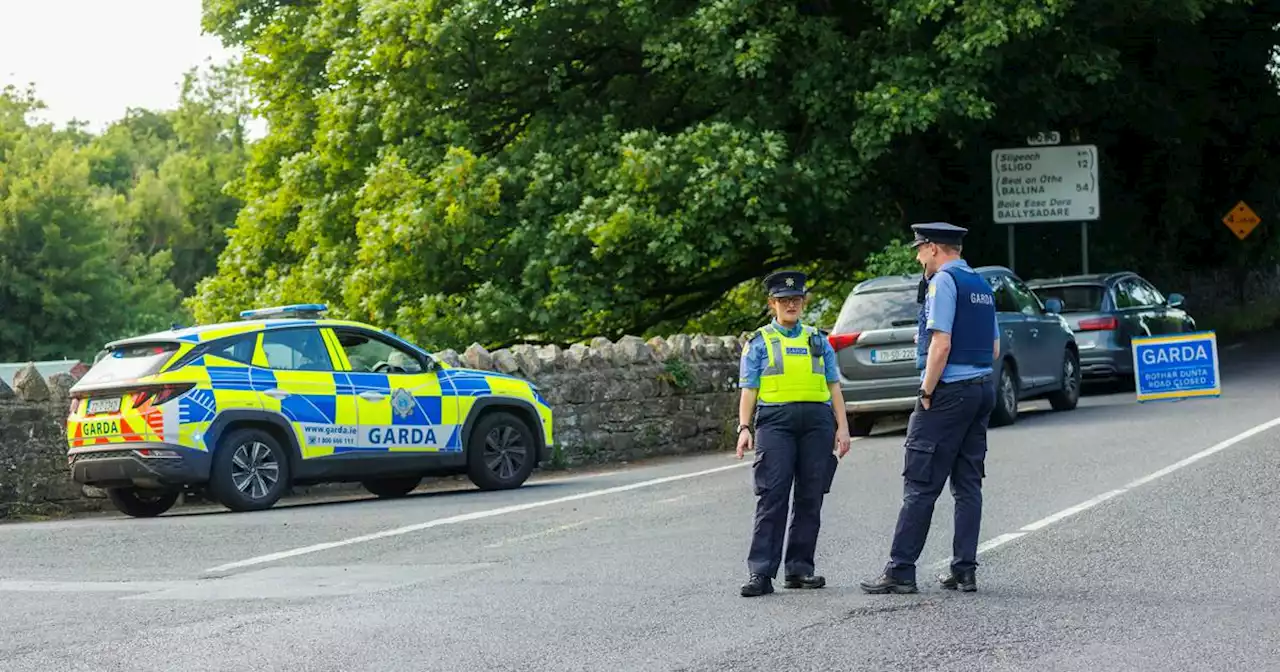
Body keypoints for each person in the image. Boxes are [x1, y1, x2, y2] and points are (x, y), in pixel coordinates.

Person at [859, 222, 999, 595]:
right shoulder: (982, 285)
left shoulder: (943, 283)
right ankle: (964, 571)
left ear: (934, 248)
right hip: (982, 387)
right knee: (968, 484)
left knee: (920, 483)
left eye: (920, 249)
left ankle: (901, 569)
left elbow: (941, 343)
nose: (919, 256)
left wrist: (926, 391)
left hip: (949, 390)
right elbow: (995, 348)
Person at [736, 269, 852, 598]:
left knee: (810, 496)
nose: (791, 305)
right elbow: (749, 388)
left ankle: (800, 569)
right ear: (772, 303)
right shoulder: (759, 341)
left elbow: (833, 385)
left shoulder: (818, 338)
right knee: (772, 496)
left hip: (817, 421)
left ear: (804, 302)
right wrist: (744, 427)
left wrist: (842, 427)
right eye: (784, 300)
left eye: (796, 299)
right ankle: (761, 572)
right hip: (775, 422)